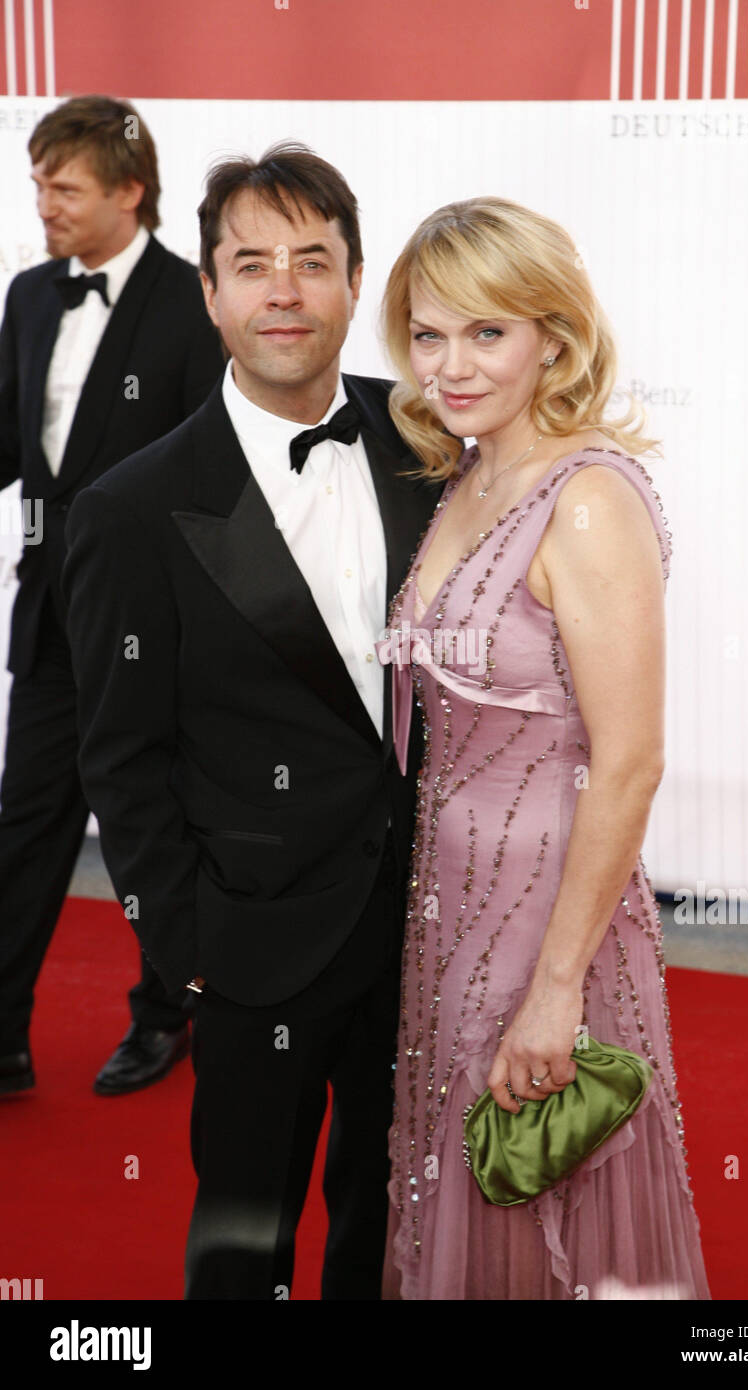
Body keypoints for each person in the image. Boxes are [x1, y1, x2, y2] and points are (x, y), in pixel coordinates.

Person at [62, 141, 443, 1298]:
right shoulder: (131, 506)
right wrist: (189, 952)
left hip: (425, 937)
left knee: (392, 1230)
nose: (285, 288)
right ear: (212, 293)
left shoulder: (431, 447)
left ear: (353, 282)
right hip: (251, 950)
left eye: (312, 260)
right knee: (246, 1244)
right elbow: (120, 758)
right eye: (252, 262)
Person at [376, 196, 712, 1299]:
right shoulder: (464, 479)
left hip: (548, 914)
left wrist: (556, 987)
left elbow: (628, 762)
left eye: (487, 331)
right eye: (429, 333)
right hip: (448, 903)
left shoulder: (586, 498)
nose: (451, 364)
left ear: (551, 336)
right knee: (459, 1175)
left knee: (534, 1172)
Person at [0, 95, 224, 1099]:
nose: (42, 201)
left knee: (158, 825)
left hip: (156, 625)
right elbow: (15, 443)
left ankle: (166, 1014)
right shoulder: (29, 294)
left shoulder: (195, 302)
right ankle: (2, 1034)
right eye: (39, 181)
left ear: (130, 192)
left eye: (64, 186)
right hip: (49, 607)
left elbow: (214, 478)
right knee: (26, 824)